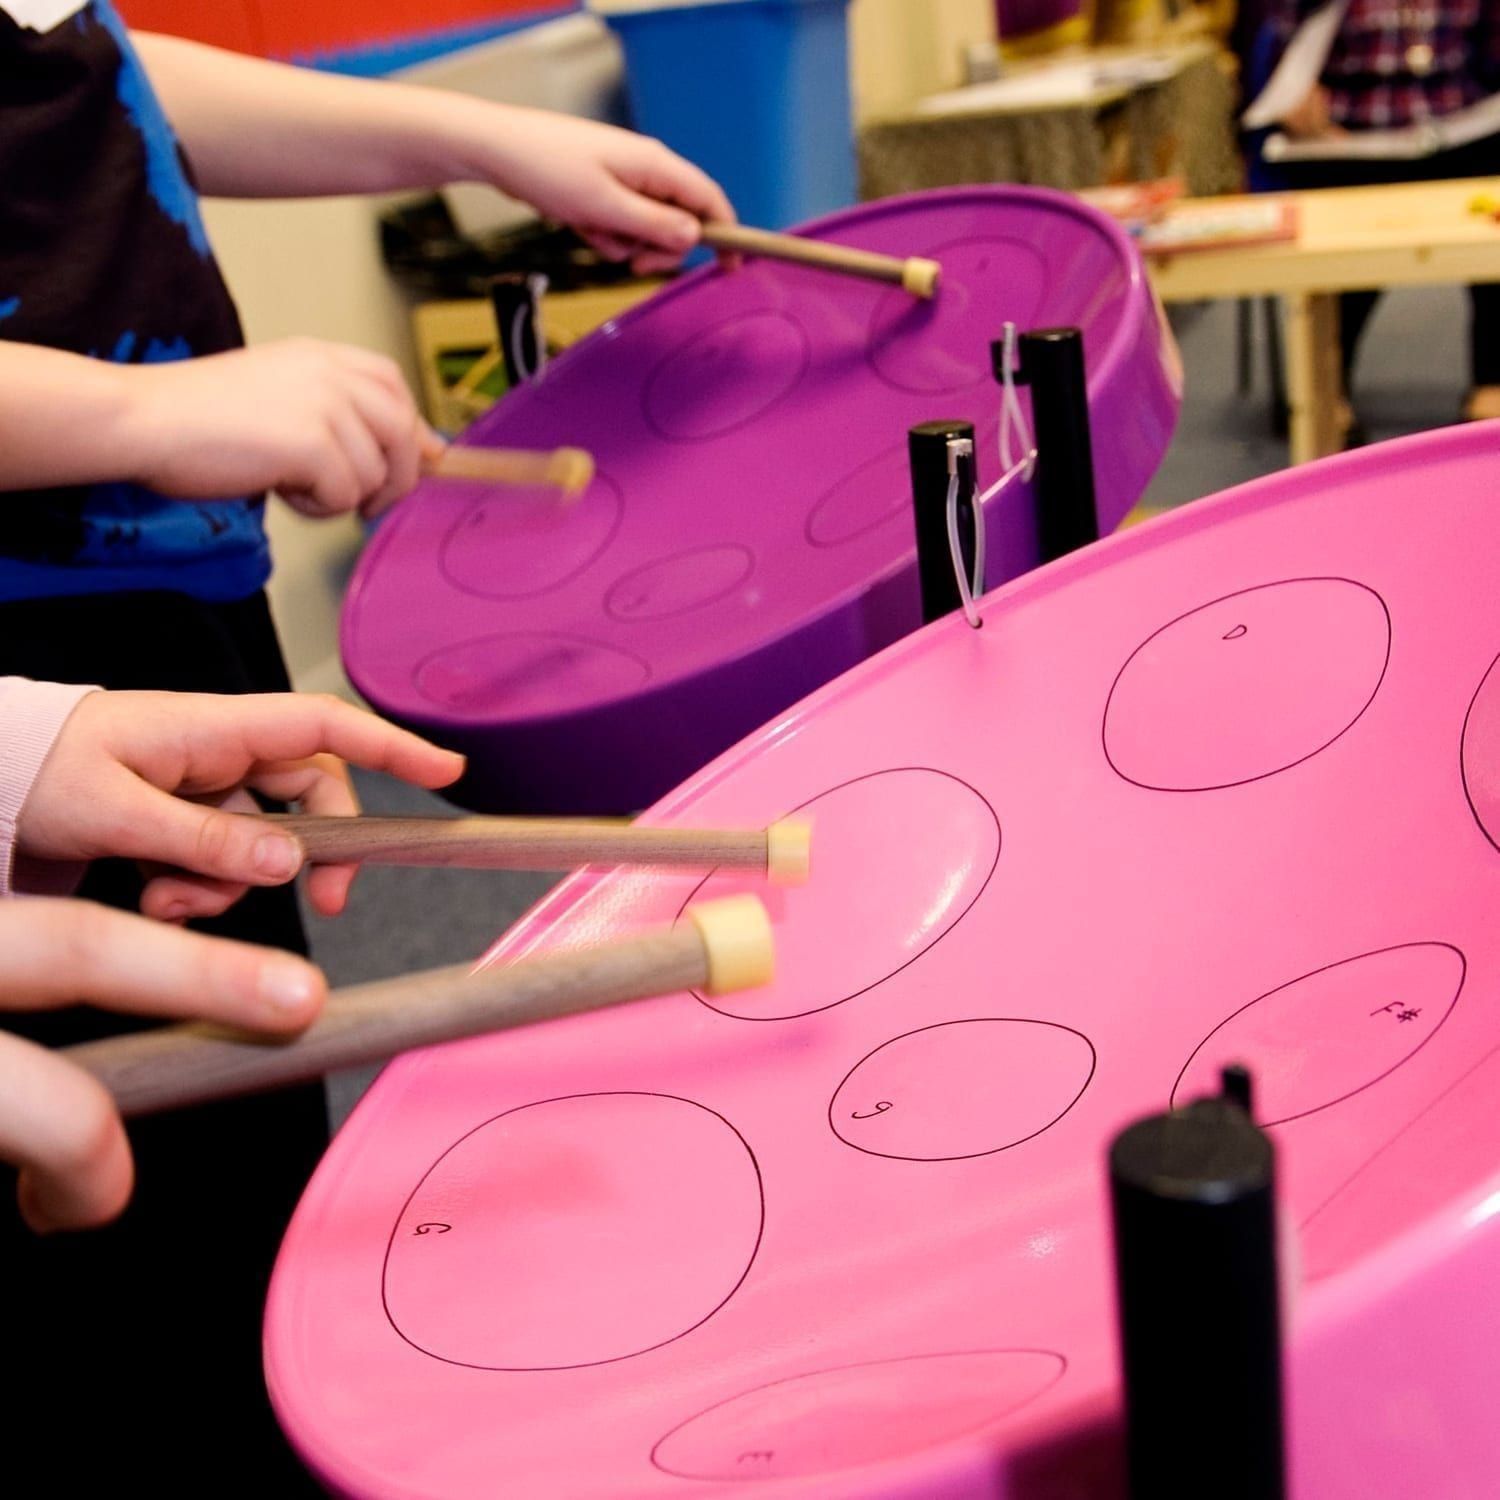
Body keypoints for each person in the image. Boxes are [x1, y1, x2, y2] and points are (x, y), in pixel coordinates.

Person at [0, 4, 732, 1485]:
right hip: (31, 650)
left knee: (237, 1144)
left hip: (149, 628)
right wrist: (134, 409)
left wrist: (482, 137)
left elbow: (69, 72)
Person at [1254, 0, 1500, 426]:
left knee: (1491, 226)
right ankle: (1328, 385)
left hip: (1459, 136)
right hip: (1348, 141)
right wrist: (1293, 99)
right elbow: (1279, 54)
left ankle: (1492, 382)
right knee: (1342, 248)